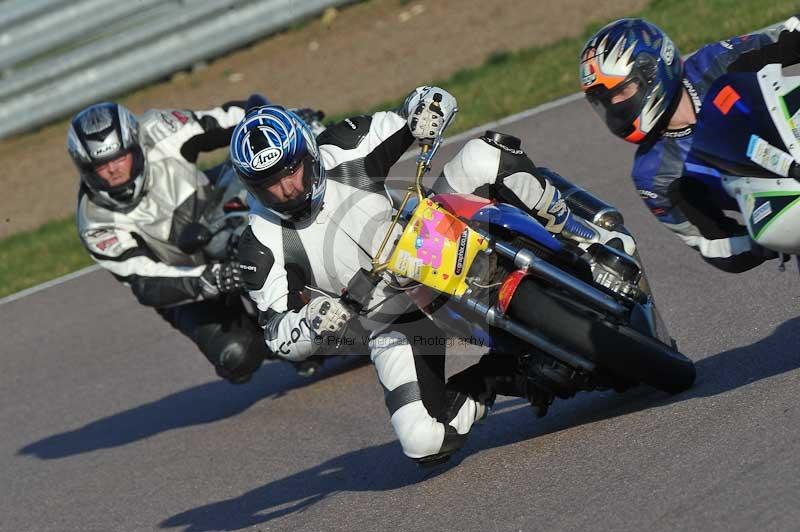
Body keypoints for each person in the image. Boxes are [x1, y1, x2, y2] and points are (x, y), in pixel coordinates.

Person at [232, 87, 633, 464]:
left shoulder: (343, 145)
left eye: (292, 171)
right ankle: (501, 378)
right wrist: (310, 321)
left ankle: (588, 240)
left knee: (481, 156)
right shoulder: (259, 243)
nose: (286, 189)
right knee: (422, 441)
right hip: (390, 314)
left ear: (309, 153)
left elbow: (421, 106)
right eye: (269, 184)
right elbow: (277, 334)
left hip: (430, 236)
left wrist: (428, 109)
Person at [68, 99, 324, 384]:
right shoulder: (95, 223)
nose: (114, 169)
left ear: (135, 144)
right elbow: (147, 282)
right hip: (180, 282)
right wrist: (209, 279)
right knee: (236, 356)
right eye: (102, 165)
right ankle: (284, 343)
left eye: (119, 157)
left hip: (214, 215)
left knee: (267, 200)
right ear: (87, 170)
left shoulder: (157, 129)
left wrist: (287, 120)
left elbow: (227, 120)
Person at [579, 16, 800, 272]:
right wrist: (761, 241)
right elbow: (710, 242)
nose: (616, 106)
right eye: (606, 101)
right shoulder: (655, 174)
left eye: (622, 92)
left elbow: (789, 38)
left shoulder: (714, 63)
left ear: (651, 70)